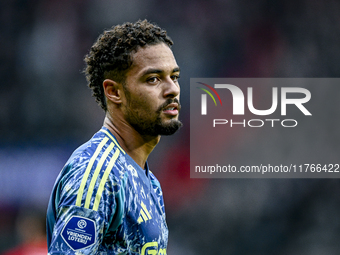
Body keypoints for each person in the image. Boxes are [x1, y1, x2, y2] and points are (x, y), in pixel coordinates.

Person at [46, 20, 182, 254]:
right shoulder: (99, 174)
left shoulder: (148, 181)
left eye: (174, 76)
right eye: (153, 79)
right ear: (114, 92)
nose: (172, 89)